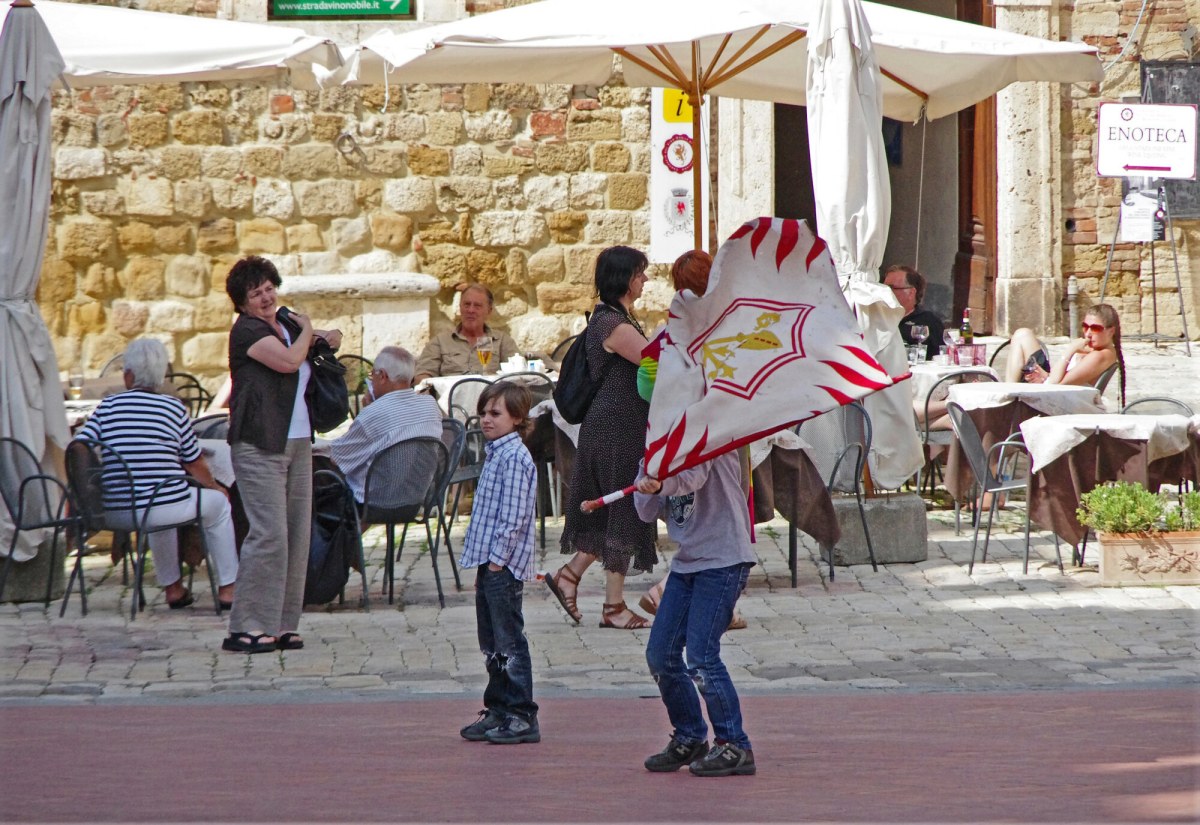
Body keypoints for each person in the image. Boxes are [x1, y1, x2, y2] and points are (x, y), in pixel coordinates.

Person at [223, 255, 342, 655]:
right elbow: (291, 362)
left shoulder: (286, 326)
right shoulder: (248, 332)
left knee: (295, 534)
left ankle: (282, 624)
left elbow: (328, 339)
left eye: (269, 288)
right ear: (241, 303)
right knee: (268, 534)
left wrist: (319, 333)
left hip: (297, 441)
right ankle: (246, 626)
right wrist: (309, 327)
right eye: (256, 293)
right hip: (259, 443)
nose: (266, 296)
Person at [75, 339, 237, 611]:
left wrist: (85, 491)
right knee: (218, 505)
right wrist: (214, 486)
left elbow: (78, 445)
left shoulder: (107, 407)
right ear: (161, 376)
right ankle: (229, 589)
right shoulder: (173, 408)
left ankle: (174, 589)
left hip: (116, 511)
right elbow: (194, 463)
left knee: (163, 505)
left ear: (127, 375)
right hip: (161, 506)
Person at [545, 245, 656, 630]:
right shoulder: (613, 325)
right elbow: (654, 360)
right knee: (623, 511)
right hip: (616, 430)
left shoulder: (618, 318)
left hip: (616, 427)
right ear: (625, 278)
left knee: (609, 510)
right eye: (640, 274)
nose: (644, 280)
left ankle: (569, 577)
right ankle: (613, 608)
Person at [634, 250, 746, 632]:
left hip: (678, 426)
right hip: (714, 424)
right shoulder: (725, 327)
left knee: (695, 501)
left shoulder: (673, 329)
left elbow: (646, 381)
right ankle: (706, 596)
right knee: (723, 499)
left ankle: (701, 594)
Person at [634, 450, 757, 777]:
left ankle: (736, 744)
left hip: (724, 560)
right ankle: (689, 736)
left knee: (702, 656)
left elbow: (692, 477)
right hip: (688, 564)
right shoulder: (660, 446)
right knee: (660, 654)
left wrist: (659, 481)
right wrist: (646, 482)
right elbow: (647, 511)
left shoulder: (711, 433)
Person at [458, 381, 540, 745]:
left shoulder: (515, 458)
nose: (486, 420)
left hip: (502, 565)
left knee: (509, 640)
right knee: (490, 640)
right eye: (483, 413)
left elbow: (514, 518)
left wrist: (496, 563)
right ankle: (497, 707)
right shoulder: (495, 454)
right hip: (488, 562)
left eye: (495, 414)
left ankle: (521, 713)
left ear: (517, 418)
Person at [328, 346, 443, 504]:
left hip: (374, 501)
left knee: (321, 468)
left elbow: (338, 458)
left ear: (382, 375)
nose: (371, 380)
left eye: (372, 375)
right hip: (415, 499)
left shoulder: (373, 413)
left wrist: (367, 411)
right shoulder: (430, 405)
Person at [1003, 303, 1125, 405]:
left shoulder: (1100, 355)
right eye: (1085, 326)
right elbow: (1063, 379)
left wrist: (1070, 349)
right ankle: (1009, 391)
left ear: (1111, 331)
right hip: (1053, 389)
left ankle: (1008, 398)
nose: (1088, 334)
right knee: (1022, 334)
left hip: (1057, 400)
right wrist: (1045, 375)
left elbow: (1056, 385)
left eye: (1095, 328)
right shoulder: (1094, 349)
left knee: (1022, 336)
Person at [413, 284, 520, 382]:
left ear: (489, 311)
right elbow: (422, 375)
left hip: (490, 399)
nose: (471, 310)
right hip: (450, 400)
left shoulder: (501, 341)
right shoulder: (441, 341)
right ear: (460, 307)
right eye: (467, 304)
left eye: (477, 306)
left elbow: (519, 374)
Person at [883, 265, 944, 360]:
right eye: (883, 287)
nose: (885, 292)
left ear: (911, 292)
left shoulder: (928, 321)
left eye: (891, 288)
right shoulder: (877, 317)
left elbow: (941, 355)